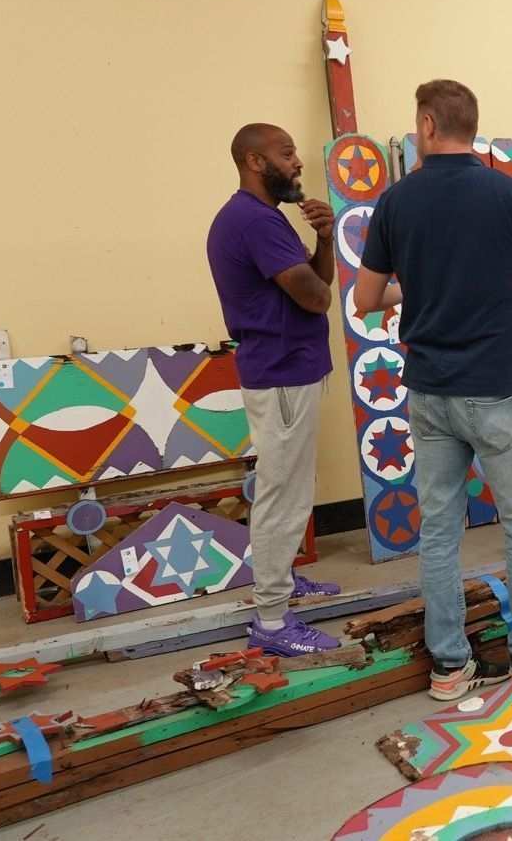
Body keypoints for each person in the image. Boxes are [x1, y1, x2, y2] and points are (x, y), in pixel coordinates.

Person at [354, 80, 512, 701]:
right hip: (495, 393)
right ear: (471, 125)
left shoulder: (396, 201)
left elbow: (367, 297)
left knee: (438, 532)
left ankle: (450, 669)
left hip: (429, 393)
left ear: (428, 125)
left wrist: (418, 287)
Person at [206, 123, 343, 657]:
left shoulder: (264, 217)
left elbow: (315, 282)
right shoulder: (255, 221)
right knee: (281, 495)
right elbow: (318, 298)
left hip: (289, 369)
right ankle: (270, 617)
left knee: (291, 487)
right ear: (255, 161)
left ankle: (281, 581)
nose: (298, 162)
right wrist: (318, 273)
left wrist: (325, 239)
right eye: (286, 154)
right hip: (281, 371)